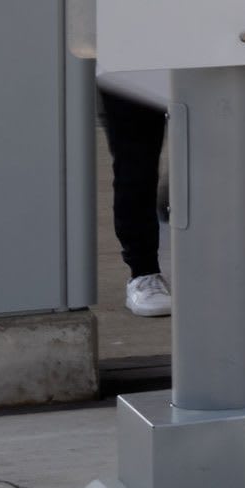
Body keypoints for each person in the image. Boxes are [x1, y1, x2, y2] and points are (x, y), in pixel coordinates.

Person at [100, 70, 173, 318]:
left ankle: (169, 207)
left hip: (205, 43)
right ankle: (143, 271)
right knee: (136, 162)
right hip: (128, 51)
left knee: (213, 148)